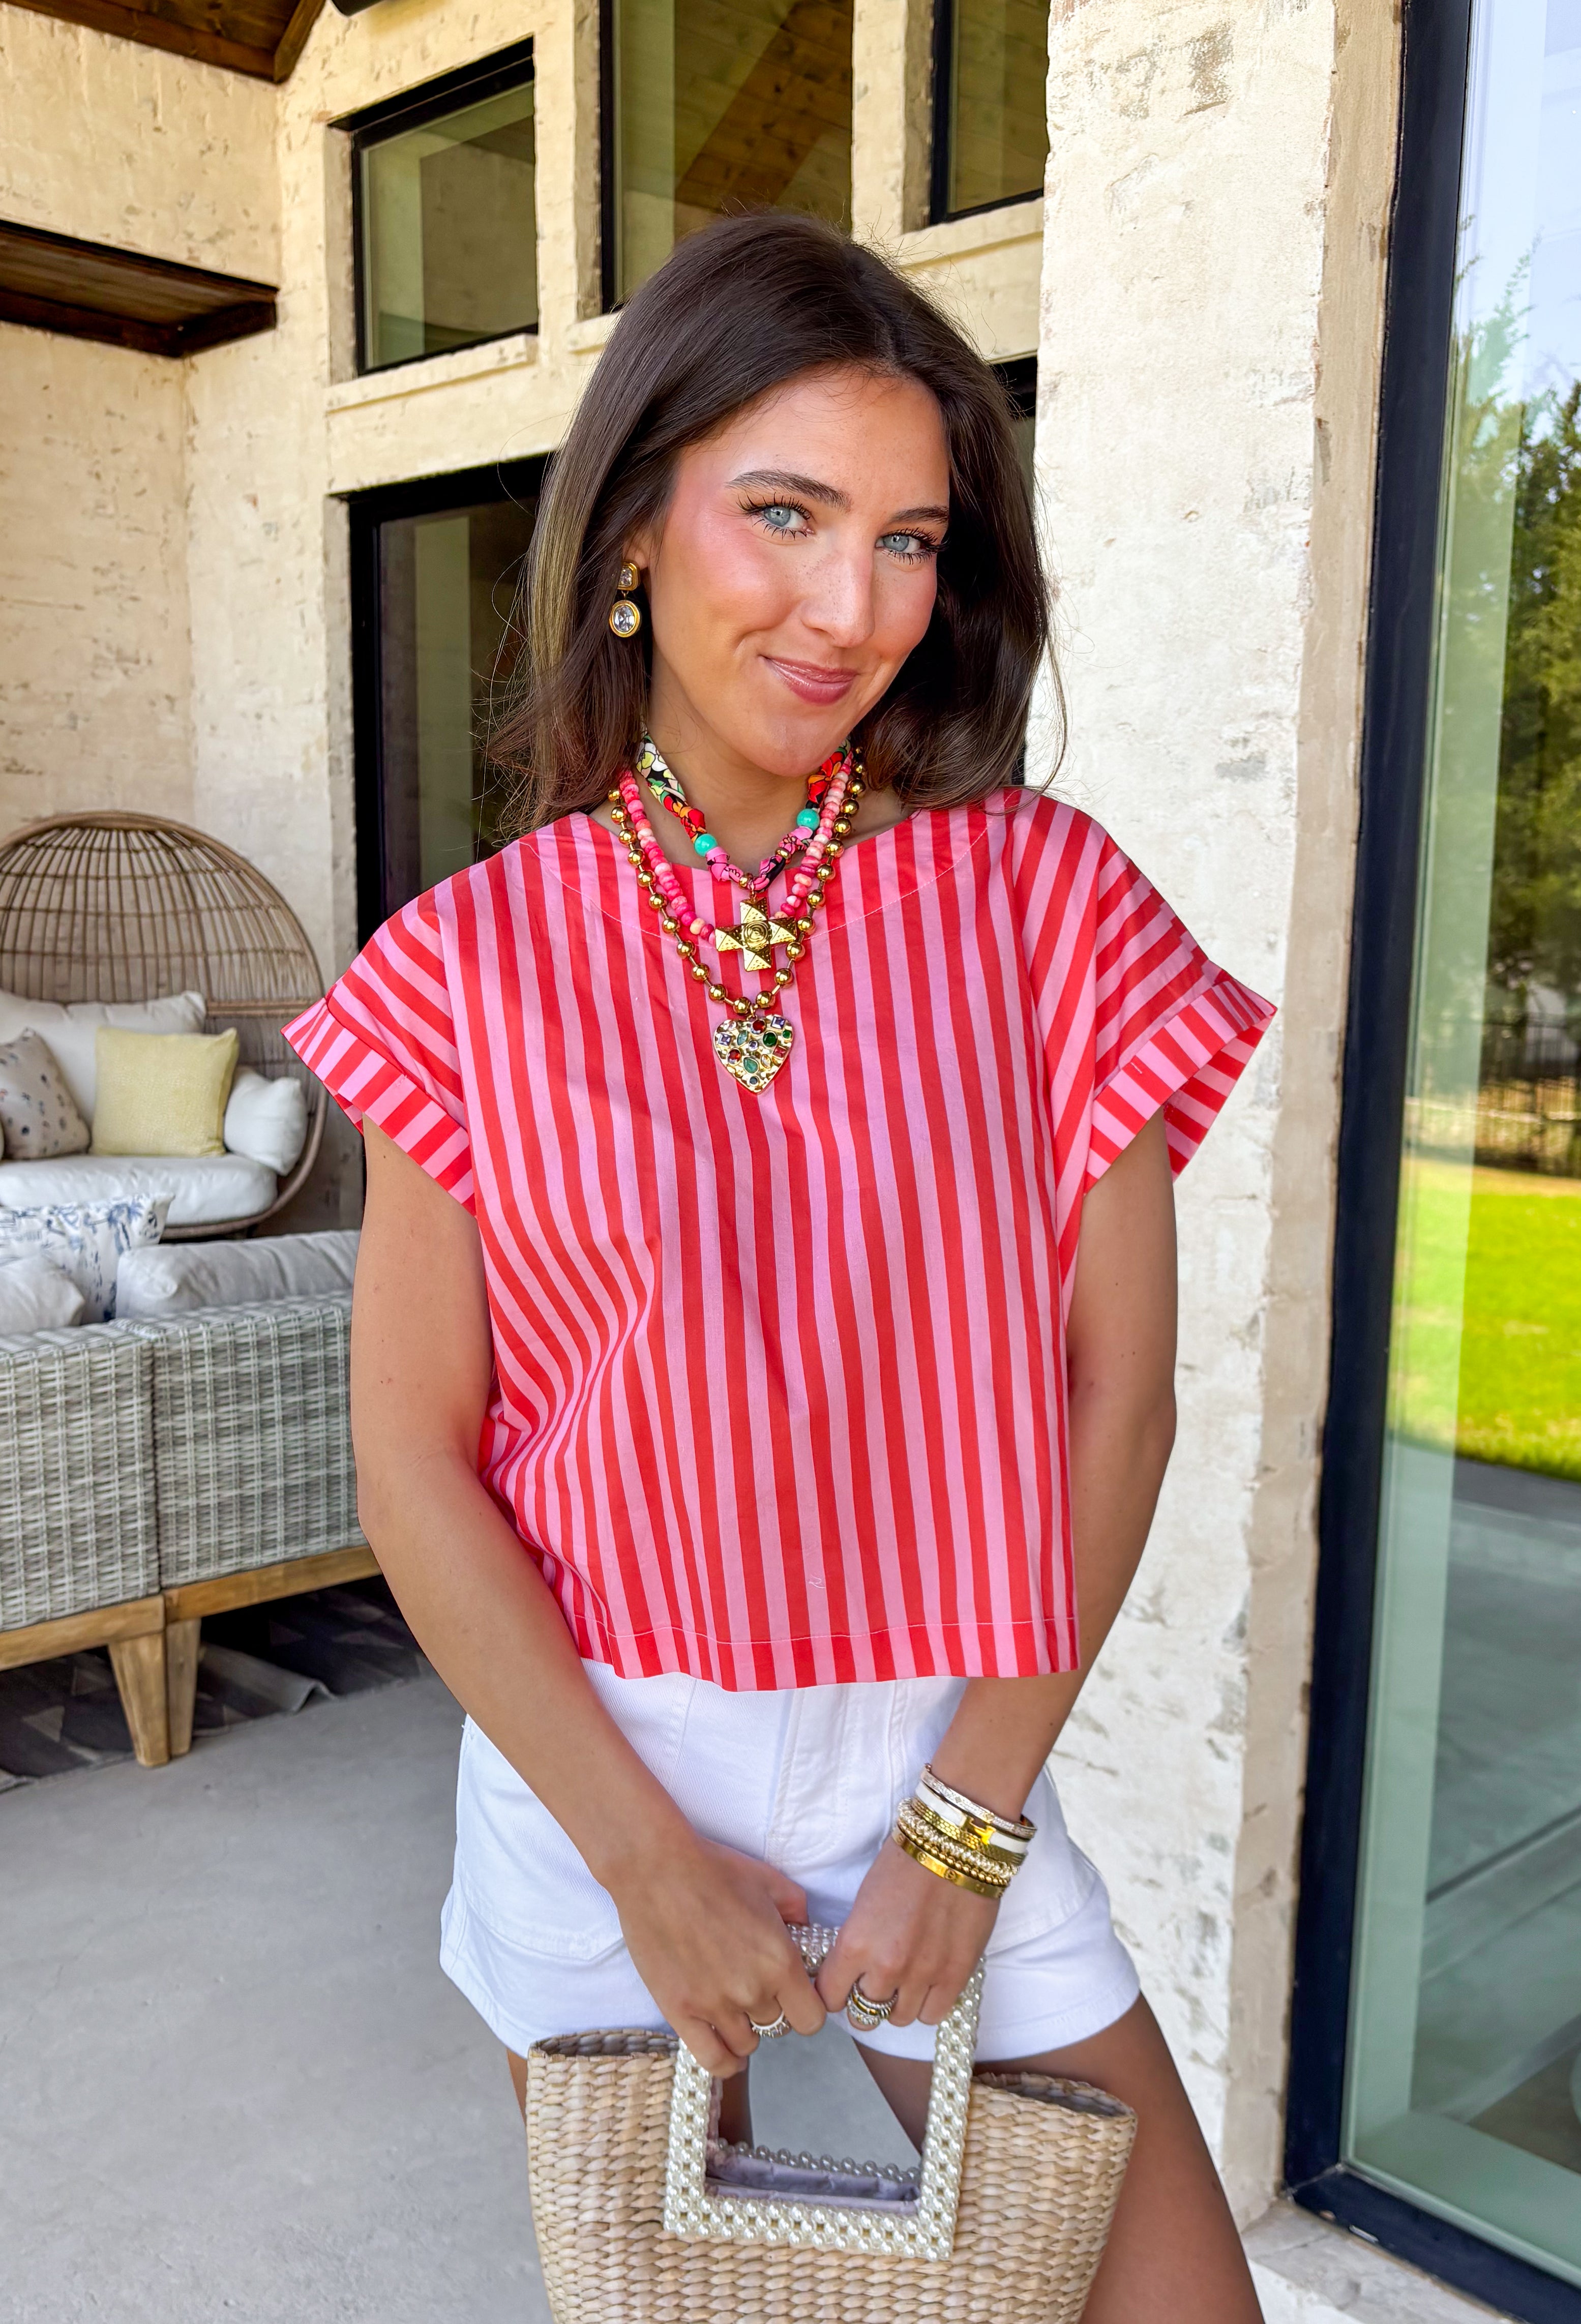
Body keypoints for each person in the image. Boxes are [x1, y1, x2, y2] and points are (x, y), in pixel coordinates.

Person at [288, 212, 1273, 2319]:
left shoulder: (1048, 907)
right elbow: (415, 1459)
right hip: (596, 1764)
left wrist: (968, 1827)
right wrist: (641, 1861)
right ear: (634, 531)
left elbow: (1120, 1398)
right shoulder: (462, 969)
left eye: (910, 541)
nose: (854, 609)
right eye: (787, 515)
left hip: (945, 1736)